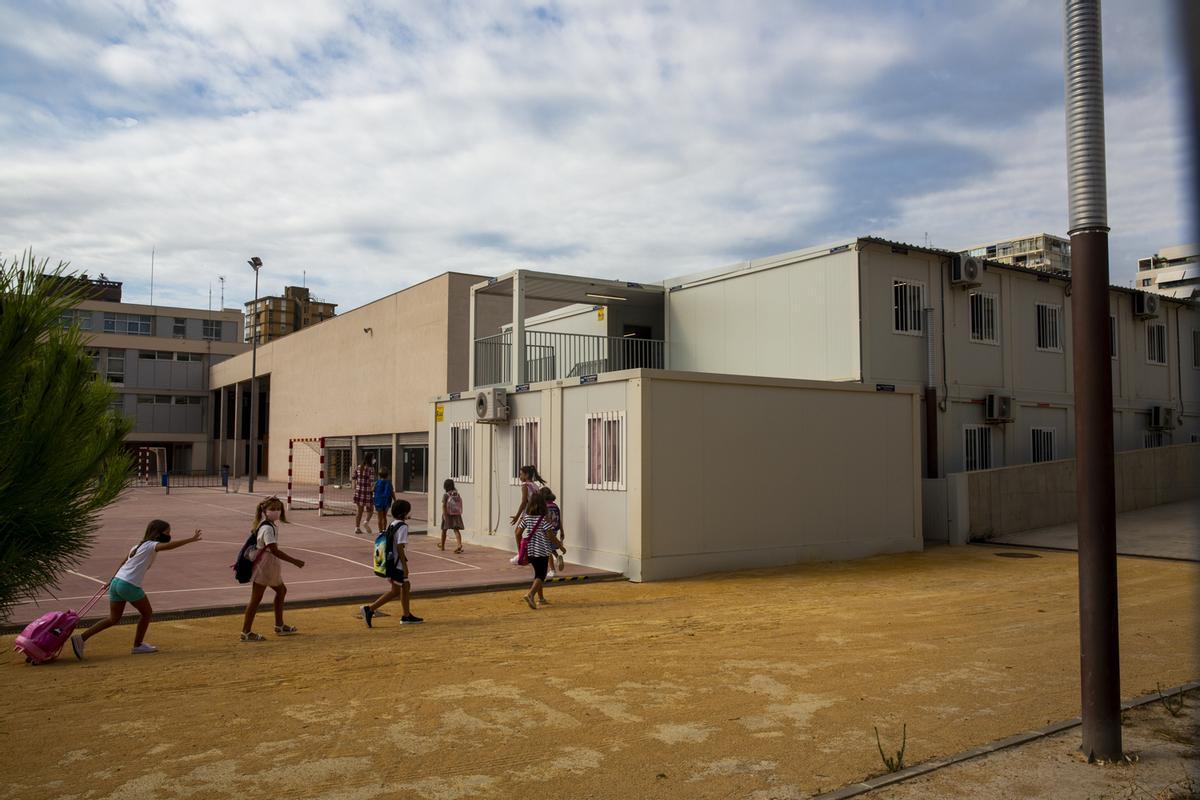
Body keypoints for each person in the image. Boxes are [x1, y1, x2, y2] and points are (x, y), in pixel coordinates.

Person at [71, 520, 202, 659]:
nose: (169, 535)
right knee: (147, 613)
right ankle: (138, 645)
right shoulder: (151, 546)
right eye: (167, 532)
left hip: (117, 582)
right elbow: (168, 546)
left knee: (113, 618)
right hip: (128, 584)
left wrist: (111, 581)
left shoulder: (136, 547)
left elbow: (123, 563)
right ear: (158, 534)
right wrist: (191, 539)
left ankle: (81, 638)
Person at [240, 497, 305, 642]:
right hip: (265, 565)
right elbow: (274, 550)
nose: (276, 512)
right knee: (256, 599)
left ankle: (279, 625)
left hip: (270, 565)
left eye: (278, 509)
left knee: (281, 591)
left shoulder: (270, 525)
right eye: (272, 509)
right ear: (265, 511)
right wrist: (295, 561)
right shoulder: (267, 528)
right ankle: (246, 632)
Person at [361, 500, 423, 627]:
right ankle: (370, 609)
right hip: (397, 564)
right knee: (395, 591)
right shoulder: (403, 527)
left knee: (406, 585)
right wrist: (405, 566)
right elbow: (400, 546)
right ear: (404, 513)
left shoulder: (393, 524)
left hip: (391, 562)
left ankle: (406, 615)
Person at [516, 492, 558, 610]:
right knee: (541, 575)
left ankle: (541, 598)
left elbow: (518, 533)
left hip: (531, 551)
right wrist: (560, 546)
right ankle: (530, 594)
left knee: (537, 574)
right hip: (542, 551)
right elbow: (550, 535)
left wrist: (520, 549)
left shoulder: (527, 518)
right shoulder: (543, 519)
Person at [508, 465, 545, 564]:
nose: (519, 476)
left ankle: (522, 555)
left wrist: (517, 516)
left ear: (526, 475)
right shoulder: (536, 486)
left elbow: (524, 502)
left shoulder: (525, 485)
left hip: (527, 513)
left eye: (521, 474)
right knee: (526, 534)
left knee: (517, 533)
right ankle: (524, 555)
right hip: (536, 513)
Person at [540, 486, 566, 578]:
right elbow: (560, 519)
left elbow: (543, 519)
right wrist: (562, 530)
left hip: (546, 530)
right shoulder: (555, 506)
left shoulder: (544, 507)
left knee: (547, 550)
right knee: (551, 547)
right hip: (555, 529)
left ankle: (552, 570)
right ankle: (558, 557)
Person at [352, 452, 377, 535]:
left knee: (359, 511)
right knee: (371, 509)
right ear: (370, 459)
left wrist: (356, 487)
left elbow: (354, 478)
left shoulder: (359, 467)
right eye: (373, 457)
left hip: (358, 492)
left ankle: (357, 528)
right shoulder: (371, 469)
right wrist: (374, 491)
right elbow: (372, 482)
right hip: (367, 492)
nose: (374, 459)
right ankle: (366, 521)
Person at [440, 478, 464, 554]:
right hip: (456, 514)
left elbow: (444, 505)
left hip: (448, 514)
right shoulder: (456, 494)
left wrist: (444, 515)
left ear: (445, 486)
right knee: (456, 530)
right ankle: (459, 544)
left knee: (444, 530)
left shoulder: (446, 495)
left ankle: (442, 546)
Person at [373, 467, 396, 535]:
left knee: (379, 517)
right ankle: (384, 529)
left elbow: (372, 490)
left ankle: (380, 531)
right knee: (384, 516)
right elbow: (392, 492)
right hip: (386, 501)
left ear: (379, 475)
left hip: (378, 501)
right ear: (387, 475)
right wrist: (395, 500)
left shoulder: (377, 482)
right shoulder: (389, 483)